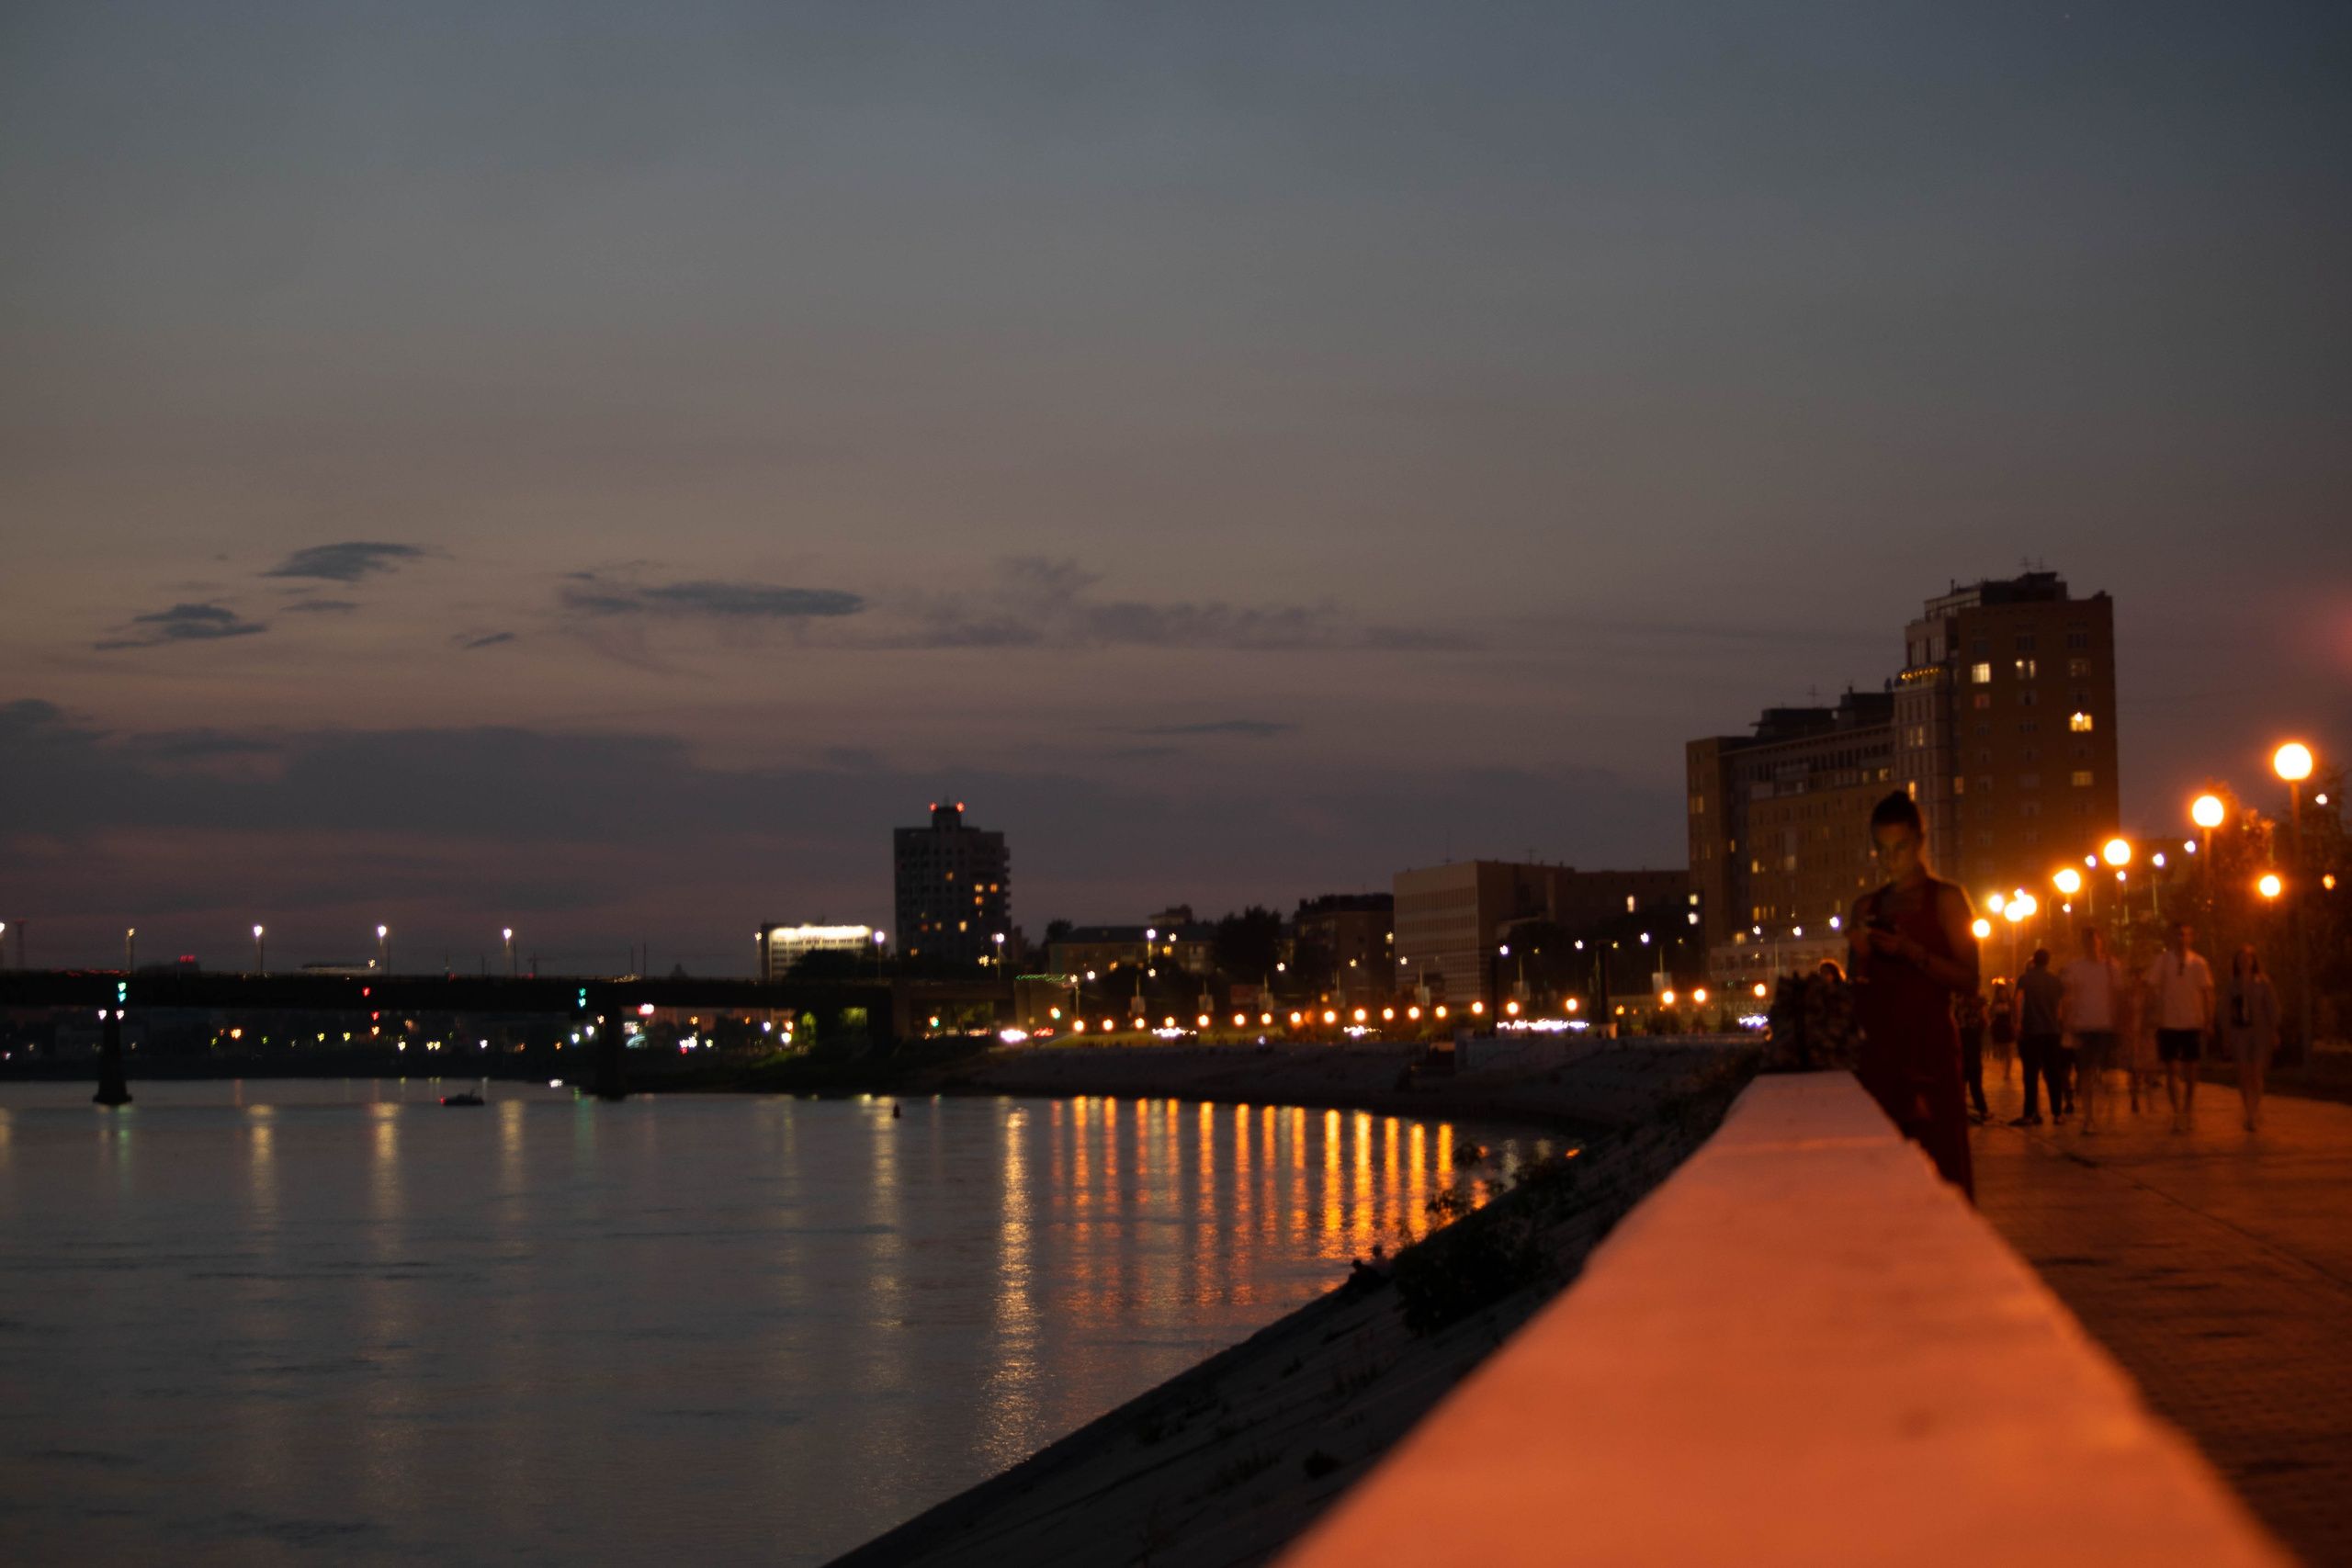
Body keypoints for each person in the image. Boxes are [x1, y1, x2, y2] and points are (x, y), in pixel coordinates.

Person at [1847, 792, 1980, 1197]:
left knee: (1939, 1165)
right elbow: (1855, 986)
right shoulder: (1867, 905)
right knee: (1883, 1169)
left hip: (1929, 1047)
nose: (1891, 858)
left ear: (1920, 841)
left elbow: (1970, 979)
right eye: (1882, 849)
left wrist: (1912, 952)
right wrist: (1862, 953)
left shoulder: (1947, 899)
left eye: (1900, 847)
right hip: (1879, 1052)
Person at [2143, 922, 2216, 1134]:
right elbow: (2151, 989)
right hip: (2168, 1023)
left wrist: (2209, 1019)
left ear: (2192, 937)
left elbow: (2207, 993)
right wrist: (2149, 1015)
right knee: (2171, 1069)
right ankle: (2176, 1113)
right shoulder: (2162, 961)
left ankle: (2188, 1109)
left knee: (2191, 1070)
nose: (2181, 938)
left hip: (2192, 1021)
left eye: (2185, 934)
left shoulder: (2199, 963)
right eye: (2177, 935)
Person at [2060, 927, 2125, 1134]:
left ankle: (2106, 1113)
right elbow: (2068, 997)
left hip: (2107, 1027)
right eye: (2088, 942)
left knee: (2108, 1076)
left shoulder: (2112, 967)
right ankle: (2089, 1119)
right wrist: (2067, 1022)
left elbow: (2119, 996)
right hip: (2084, 1027)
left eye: (2095, 941)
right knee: (2086, 1074)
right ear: (2084, 944)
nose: (2093, 945)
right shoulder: (2074, 968)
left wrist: (2122, 1024)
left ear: (2101, 942)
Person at [2222, 947, 2280, 1132]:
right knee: (2244, 1074)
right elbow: (2225, 1012)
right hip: (2240, 1033)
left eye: (2248, 958)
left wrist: (2274, 1031)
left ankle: (2254, 1110)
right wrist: (2226, 1035)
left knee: (2256, 1073)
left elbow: (2272, 1008)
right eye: (2241, 959)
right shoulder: (2232, 986)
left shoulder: (2262, 983)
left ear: (2254, 961)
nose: (2245, 962)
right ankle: (2248, 1111)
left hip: (2259, 1031)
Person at [2013, 949, 2065, 1126]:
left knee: (2031, 1074)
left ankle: (2028, 1115)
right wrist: (2058, 1023)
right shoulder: (2055, 981)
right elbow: (2060, 1007)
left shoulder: (2025, 978)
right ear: (2048, 961)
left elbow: (2018, 999)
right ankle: (2058, 1114)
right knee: (2053, 1074)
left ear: (2034, 961)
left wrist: (2018, 1022)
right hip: (2052, 1031)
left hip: (2032, 1031)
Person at [1955, 984, 1990, 1123]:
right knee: (1971, 1073)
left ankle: (1977, 1109)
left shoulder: (1957, 993)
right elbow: (1984, 1015)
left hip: (1965, 1034)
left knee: (1966, 1073)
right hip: (1967, 1034)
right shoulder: (1969, 994)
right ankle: (1981, 1110)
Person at [1987, 976, 2018, 1084]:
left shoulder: (2010, 1002)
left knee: (2009, 1049)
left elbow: (2014, 1014)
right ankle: (2004, 1068)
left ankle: (2007, 1072)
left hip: (2007, 1025)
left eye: (2004, 992)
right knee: (2001, 1051)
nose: (2003, 994)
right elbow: (1990, 1014)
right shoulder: (1995, 1003)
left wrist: (2015, 1024)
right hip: (1998, 1026)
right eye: (2001, 992)